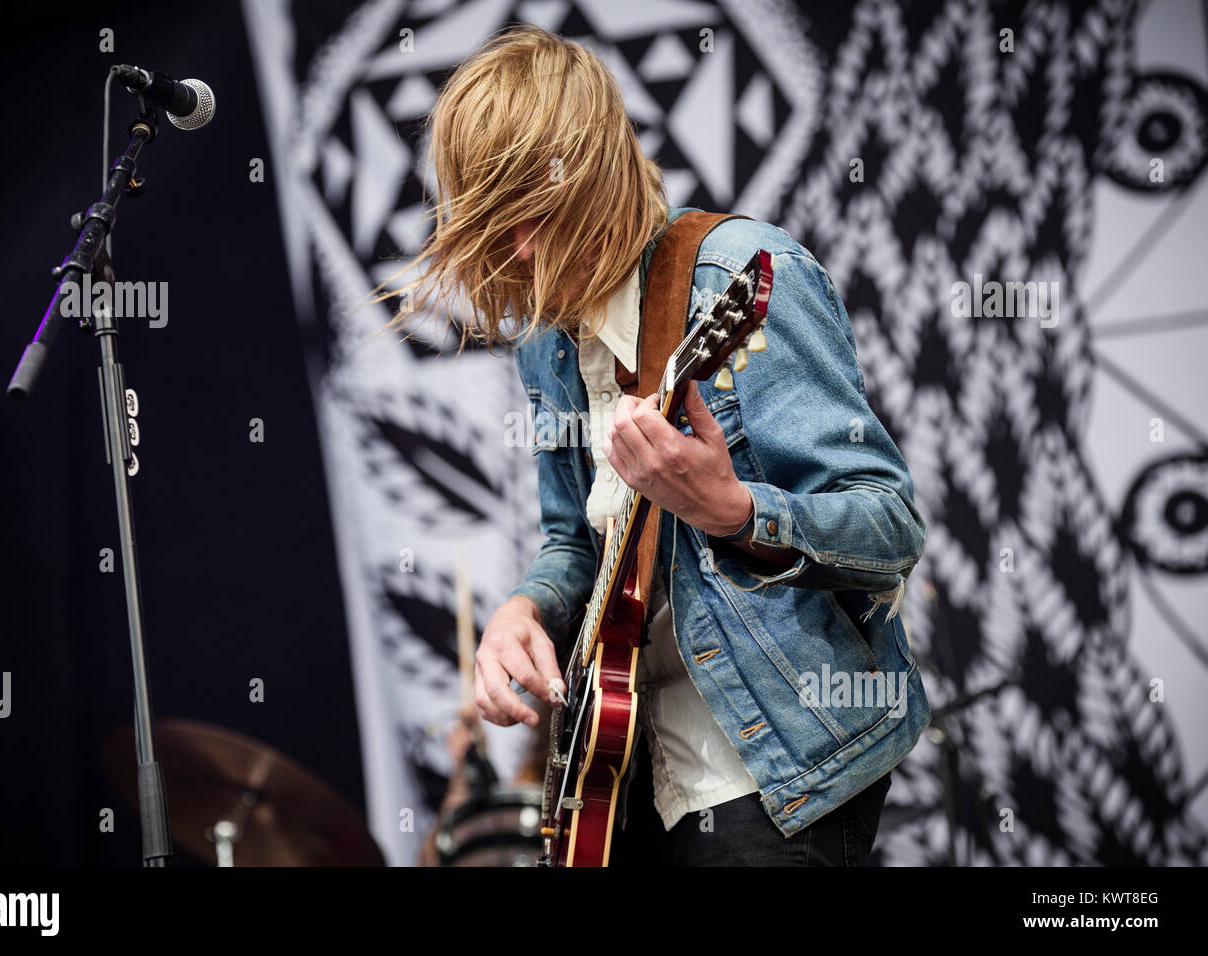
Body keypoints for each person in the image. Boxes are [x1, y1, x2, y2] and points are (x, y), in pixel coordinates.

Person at [368, 24, 931, 866]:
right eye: (501, 228)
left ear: (597, 175)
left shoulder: (742, 273)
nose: (522, 252)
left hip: (771, 769)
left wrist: (736, 511)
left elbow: (889, 527)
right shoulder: (547, 345)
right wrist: (525, 609)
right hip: (628, 783)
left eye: (540, 217)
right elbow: (574, 542)